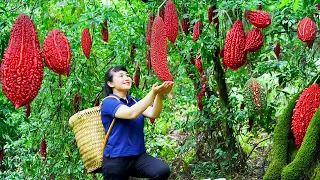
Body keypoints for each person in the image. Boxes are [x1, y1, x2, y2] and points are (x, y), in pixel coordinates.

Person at [101, 65, 174, 180]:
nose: (126, 78)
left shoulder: (134, 101)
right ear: (110, 83)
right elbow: (130, 113)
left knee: (162, 171)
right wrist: (153, 93)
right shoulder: (109, 102)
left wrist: (159, 94)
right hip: (116, 160)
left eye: (127, 75)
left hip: (138, 157)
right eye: (121, 76)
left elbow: (154, 113)